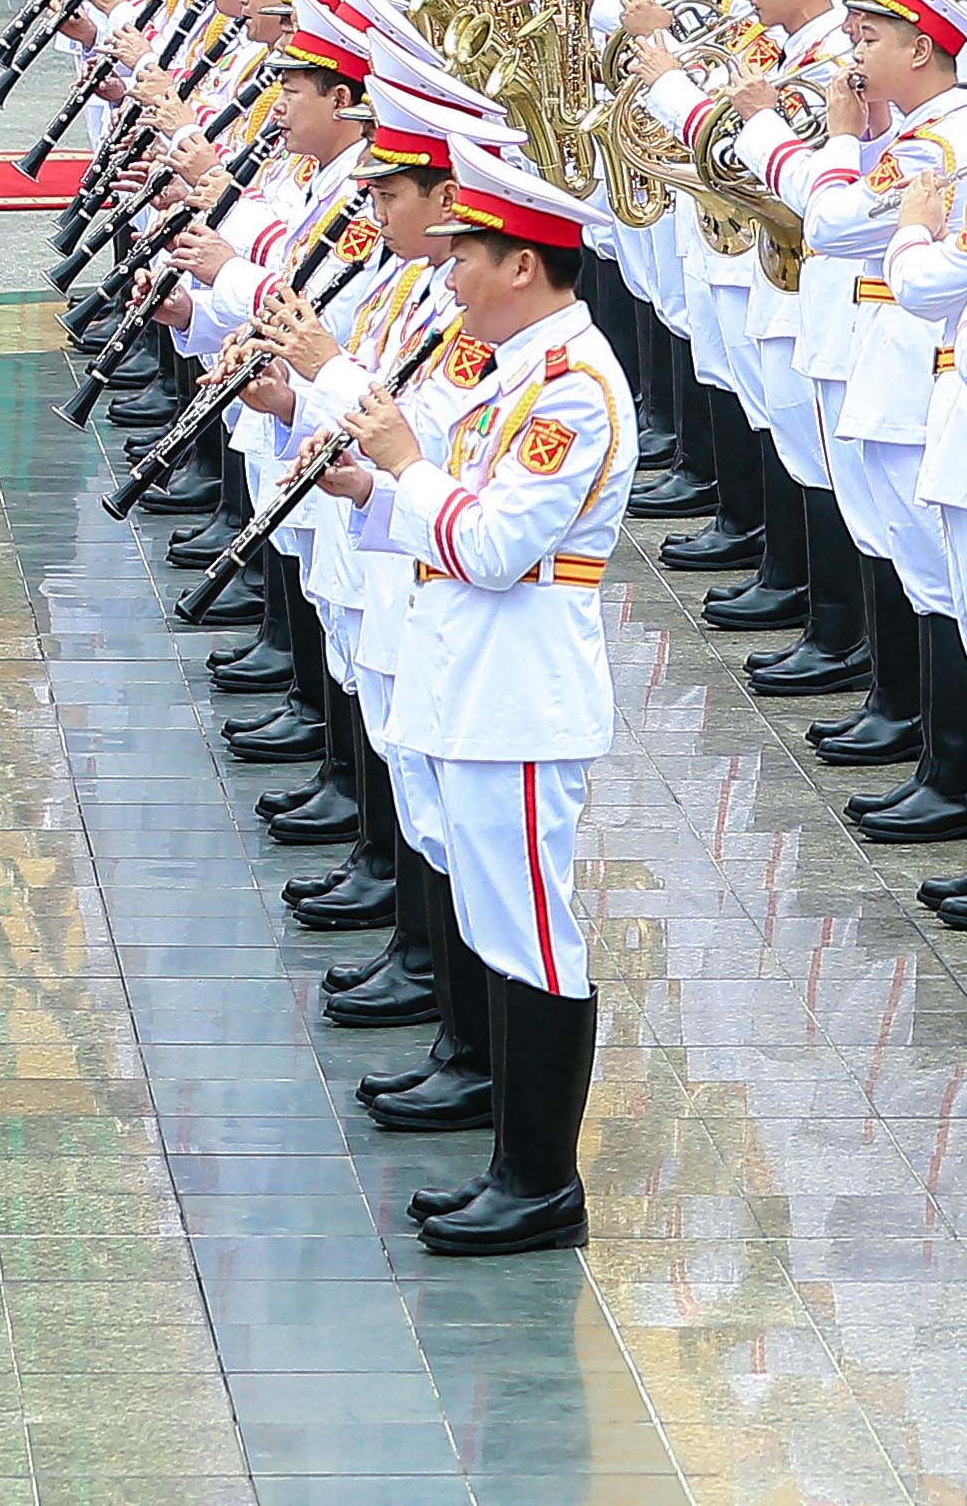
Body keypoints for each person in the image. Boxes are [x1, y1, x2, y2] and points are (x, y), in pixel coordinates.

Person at [299, 145, 638, 1257]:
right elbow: (459, 511)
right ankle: (510, 1158)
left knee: (532, 930)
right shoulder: (517, 369)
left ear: (522, 264)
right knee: (495, 922)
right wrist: (372, 486)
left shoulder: (572, 387)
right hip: (475, 678)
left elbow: (493, 546)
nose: (447, 277)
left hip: (521, 690)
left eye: (466, 258)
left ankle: (542, 1181)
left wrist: (402, 463)